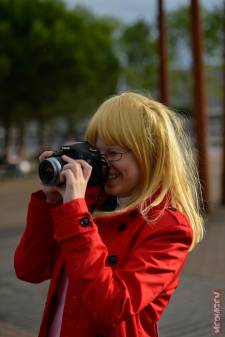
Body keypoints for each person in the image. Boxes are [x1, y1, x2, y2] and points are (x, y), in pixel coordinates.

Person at [14, 92, 204, 337]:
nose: (103, 164)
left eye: (113, 153)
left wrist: (75, 213)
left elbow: (110, 306)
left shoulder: (168, 228)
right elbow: (29, 269)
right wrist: (52, 202)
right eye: (97, 153)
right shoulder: (91, 206)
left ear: (150, 156)